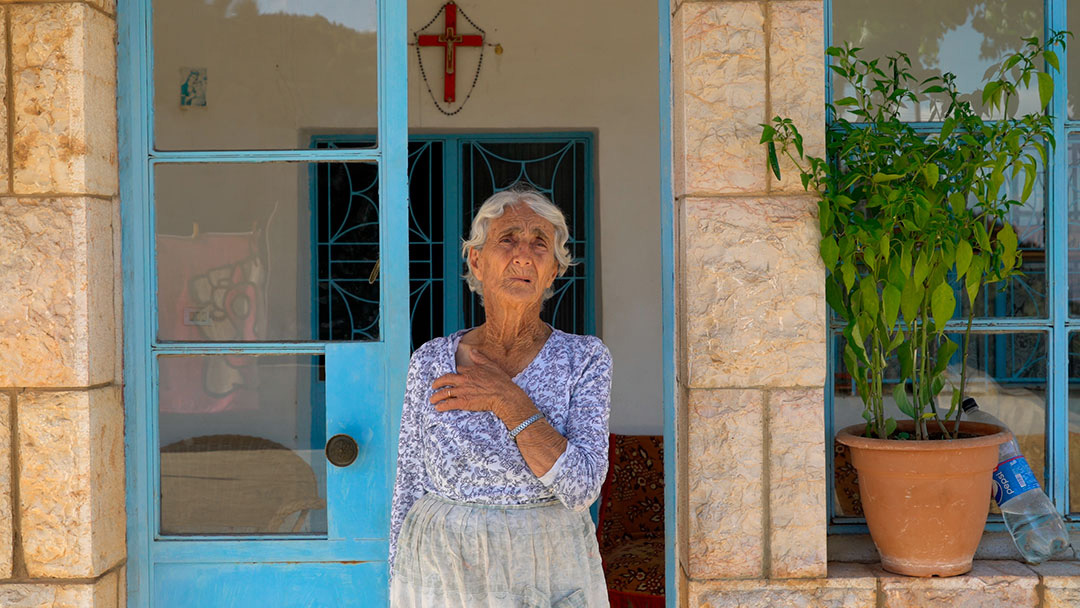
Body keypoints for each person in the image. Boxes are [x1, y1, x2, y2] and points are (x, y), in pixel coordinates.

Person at [389, 187, 612, 607]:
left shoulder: (584, 358)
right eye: (508, 238)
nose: (524, 254)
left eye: (540, 243)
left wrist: (509, 400)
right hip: (445, 571)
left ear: (553, 270)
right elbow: (409, 487)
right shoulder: (431, 361)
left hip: (545, 569)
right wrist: (396, 585)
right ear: (477, 260)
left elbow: (581, 488)